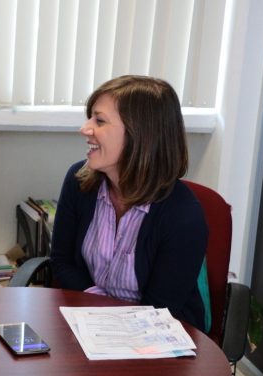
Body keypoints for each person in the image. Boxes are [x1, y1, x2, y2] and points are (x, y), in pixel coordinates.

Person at [50, 75, 210, 332]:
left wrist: (107, 317)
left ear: (140, 135)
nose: (85, 128)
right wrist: (98, 306)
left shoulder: (183, 216)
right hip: (89, 323)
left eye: (99, 120)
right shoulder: (79, 182)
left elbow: (162, 310)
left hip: (159, 336)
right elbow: (61, 262)